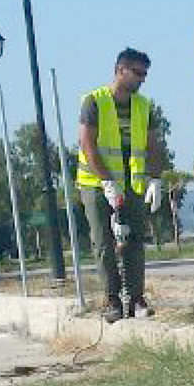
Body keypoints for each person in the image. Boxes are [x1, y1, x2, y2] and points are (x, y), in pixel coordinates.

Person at [76, 48, 167, 322]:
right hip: (96, 183)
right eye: (137, 73)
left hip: (133, 183)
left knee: (135, 241)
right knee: (103, 242)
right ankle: (111, 299)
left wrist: (155, 178)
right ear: (120, 70)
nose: (142, 79)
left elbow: (153, 145)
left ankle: (136, 298)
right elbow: (87, 144)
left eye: (145, 74)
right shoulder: (94, 102)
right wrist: (106, 181)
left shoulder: (143, 106)